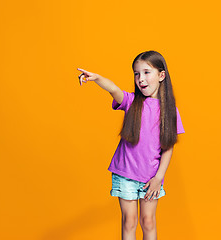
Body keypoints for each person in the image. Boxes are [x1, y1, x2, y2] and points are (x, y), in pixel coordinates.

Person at [77, 50, 185, 240]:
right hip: (125, 173)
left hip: (151, 177)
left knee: (148, 221)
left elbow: (168, 147)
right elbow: (114, 89)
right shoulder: (132, 102)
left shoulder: (170, 111)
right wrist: (96, 78)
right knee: (129, 221)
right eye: (136, 74)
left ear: (161, 75)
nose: (140, 79)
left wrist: (159, 177)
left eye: (146, 72)